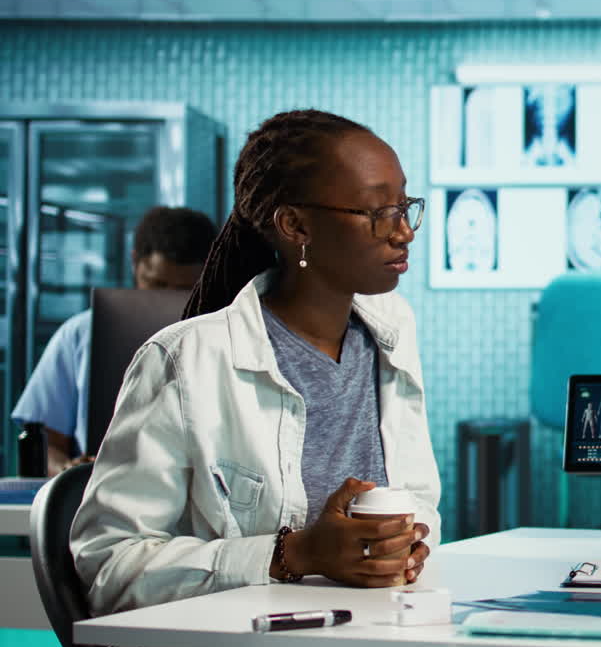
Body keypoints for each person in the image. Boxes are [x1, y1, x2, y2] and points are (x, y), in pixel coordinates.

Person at [70, 110, 442, 615]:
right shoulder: (185, 360)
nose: (403, 232)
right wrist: (293, 554)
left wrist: (408, 541)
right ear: (295, 225)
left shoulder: (393, 330)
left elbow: (418, 497)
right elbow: (108, 567)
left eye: (404, 206)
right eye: (378, 212)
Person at [9, 206, 217, 476]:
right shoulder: (80, 334)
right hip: (99, 487)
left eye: (185, 290)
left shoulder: (226, 338)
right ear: (134, 262)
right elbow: (46, 441)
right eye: (157, 284)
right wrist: (67, 470)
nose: (168, 298)